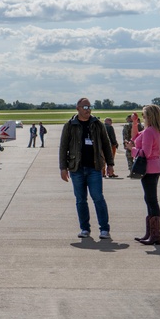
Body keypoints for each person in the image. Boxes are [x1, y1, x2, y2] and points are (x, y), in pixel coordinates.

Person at [59, 98, 115, 239]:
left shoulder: (97, 124)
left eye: (90, 106)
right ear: (77, 108)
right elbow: (63, 147)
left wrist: (110, 164)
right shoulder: (70, 125)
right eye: (84, 106)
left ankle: (104, 229)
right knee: (80, 200)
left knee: (98, 198)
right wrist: (63, 168)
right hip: (76, 168)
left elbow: (106, 145)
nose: (87, 109)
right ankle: (85, 229)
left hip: (94, 168)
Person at [125, 104, 160, 245]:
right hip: (155, 167)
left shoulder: (149, 132)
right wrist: (135, 123)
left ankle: (154, 235)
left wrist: (132, 150)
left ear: (149, 116)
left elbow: (145, 153)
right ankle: (150, 233)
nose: (143, 118)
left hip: (150, 169)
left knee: (151, 200)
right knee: (149, 199)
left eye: (143, 115)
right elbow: (136, 137)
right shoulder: (155, 130)